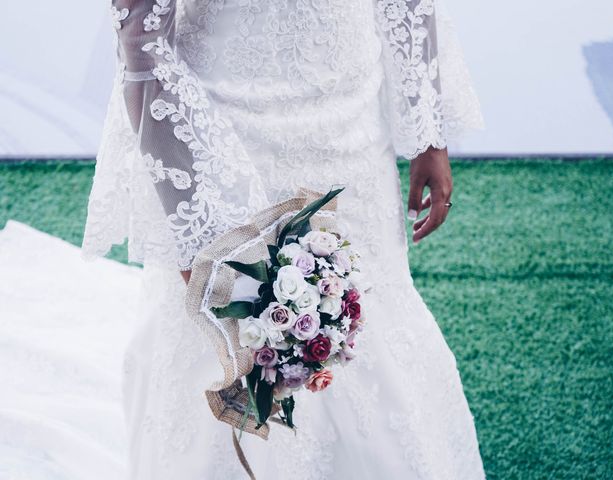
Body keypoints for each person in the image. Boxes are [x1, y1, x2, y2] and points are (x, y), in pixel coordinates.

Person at [83, 0, 485, 478]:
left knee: (373, 321)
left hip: (350, 118)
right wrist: (193, 221)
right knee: (218, 339)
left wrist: (428, 131)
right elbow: (141, 41)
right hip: (223, 132)